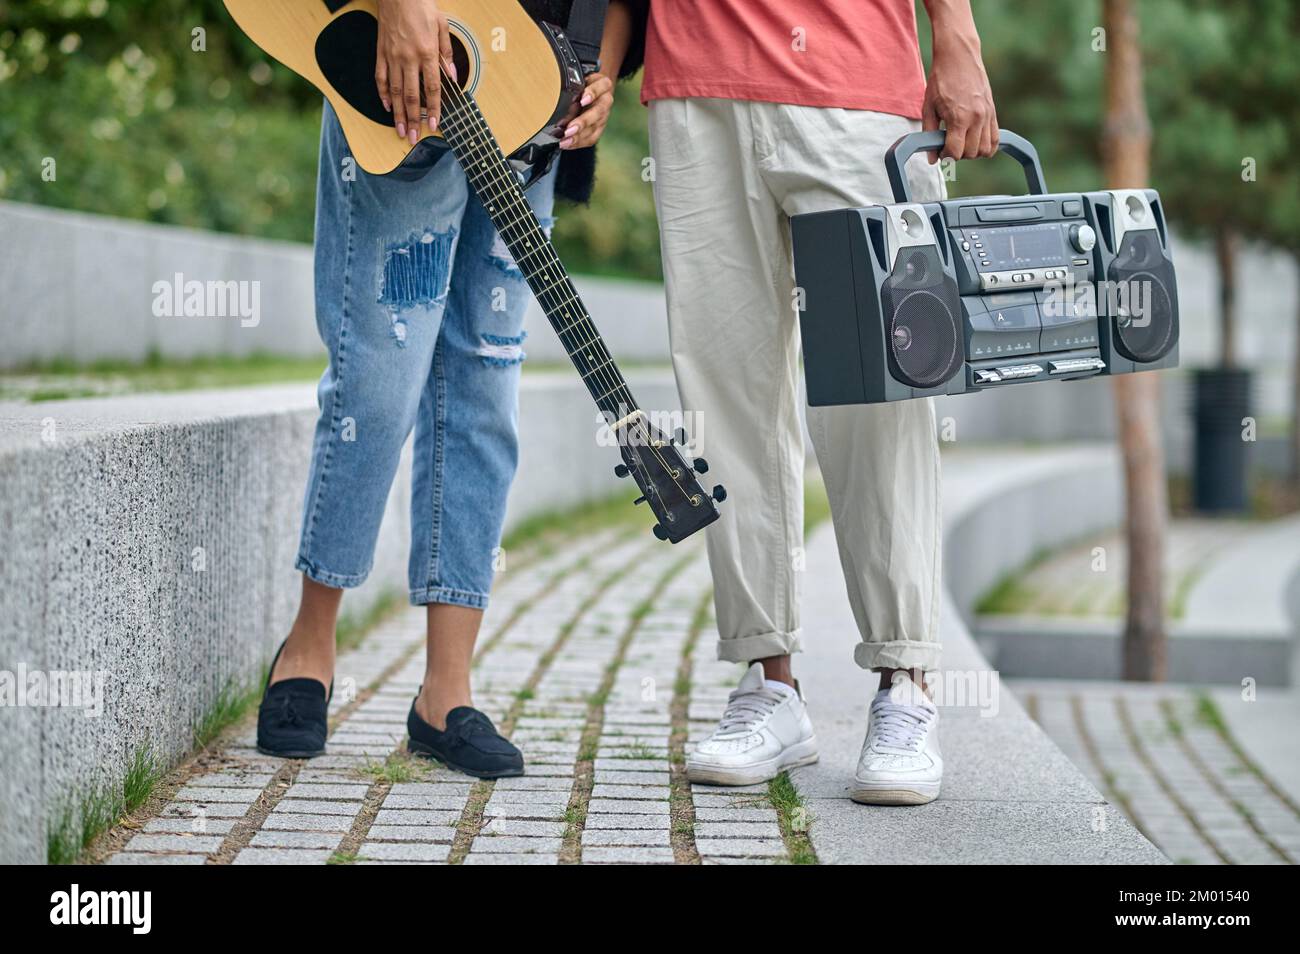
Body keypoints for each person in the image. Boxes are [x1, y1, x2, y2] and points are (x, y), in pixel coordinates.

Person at [256, 0, 645, 778]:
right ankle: (309, 645)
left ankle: (446, 694)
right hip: (411, 89)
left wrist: (597, 68)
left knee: (484, 392)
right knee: (379, 383)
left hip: (529, 109)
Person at [643, 0, 999, 804]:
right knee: (725, 394)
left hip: (855, 85)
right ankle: (770, 687)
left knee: (881, 393)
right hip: (696, 78)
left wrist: (958, 37)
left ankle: (905, 685)